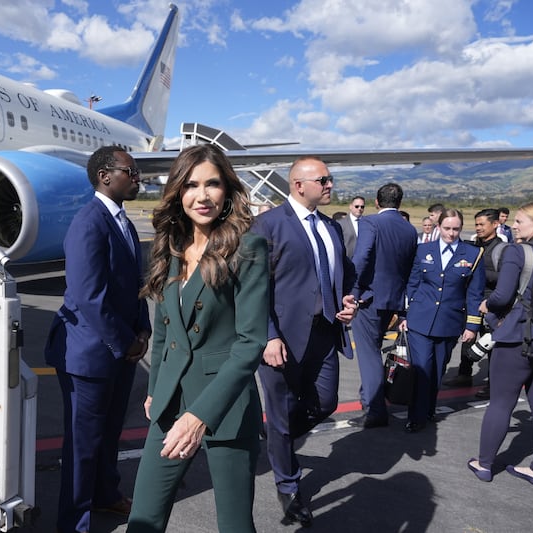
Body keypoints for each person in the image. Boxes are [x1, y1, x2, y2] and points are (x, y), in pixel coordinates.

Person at [127, 144, 269, 533]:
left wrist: (199, 416)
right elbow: (167, 330)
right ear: (177, 191)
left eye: (212, 184)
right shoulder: (171, 246)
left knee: (235, 525)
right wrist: (156, 388)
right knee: (143, 519)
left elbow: (250, 343)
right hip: (170, 401)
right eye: (191, 185)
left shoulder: (247, 248)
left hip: (224, 405)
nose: (202, 195)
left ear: (227, 190)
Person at [45, 146, 152, 533]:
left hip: (119, 349)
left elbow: (132, 286)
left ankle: (106, 494)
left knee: (108, 434)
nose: (138, 177)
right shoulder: (89, 223)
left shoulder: (123, 221)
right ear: (105, 175)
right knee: (82, 446)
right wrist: (126, 343)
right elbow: (90, 296)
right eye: (132, 171)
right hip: (89, 355)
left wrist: (143, 329)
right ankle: (74, 523)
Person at [252, 157, 357, 527]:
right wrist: (267, 335)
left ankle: (275, 441)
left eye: (330, 179)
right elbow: (252, 289)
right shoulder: (267, 225)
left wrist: (348, 298)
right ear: (298, 185)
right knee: (280, 414)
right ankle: (289, 485)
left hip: (324, 331)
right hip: (280, 339)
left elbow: (345, 272)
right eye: (323, 180)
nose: (330, 185)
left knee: (325, 401)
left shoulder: (330, 226)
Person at [468, 201, 533, 489]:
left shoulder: (517, 251)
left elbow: (501, 296)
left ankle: (484, 464)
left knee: (501, 403)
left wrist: (486, 306)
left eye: (520, 221)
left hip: (518, 337)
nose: (513, 225)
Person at [400, 208, 485, 433]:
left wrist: (472, 325)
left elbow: (475, 294)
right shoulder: (423, 250)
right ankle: (416, 416)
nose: (451, 233)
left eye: (456, 229)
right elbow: (412, 283)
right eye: (447, 228)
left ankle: (428, 409)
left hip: (449, 321)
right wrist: (404, 314)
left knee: (437, 370)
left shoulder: (473, 254)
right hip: (420, 319)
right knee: (422, 369)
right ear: (438, 227)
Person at [347, 183, 417, 428]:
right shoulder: (409, 229)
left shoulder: (370, 223)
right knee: (374, 350)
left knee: (368, 355)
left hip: (370, 298)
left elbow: (362, 256)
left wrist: (353, 292)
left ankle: (374, 409)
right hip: (394, 298)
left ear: (377, 202)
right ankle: (370, 397)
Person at [443, 208, 503, 397]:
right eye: (476, 224)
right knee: (468, 338)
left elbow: (505, 276)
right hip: (471, 301)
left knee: (490, 345)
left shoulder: (502, 249)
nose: (478, 228)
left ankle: (494, 385)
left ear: (495, 225)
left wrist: (478, 272)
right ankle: (464, 374)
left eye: (482, 224)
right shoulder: (474, 245)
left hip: (490, 303)